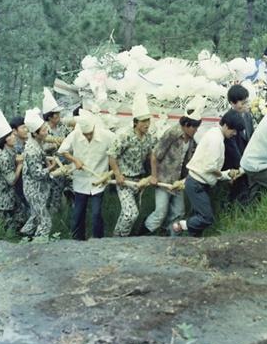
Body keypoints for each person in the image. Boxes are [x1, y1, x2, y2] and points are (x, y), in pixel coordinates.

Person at [171, 109, 245, 236]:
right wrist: (224, 175)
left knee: (197, 220)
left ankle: (187, 241)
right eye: (233, 130)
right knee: (206, 218)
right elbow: (210, 166)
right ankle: (180, 225)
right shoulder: (216, 139)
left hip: (199, 183)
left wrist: (227, 174)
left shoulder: (216, 134)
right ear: (226, 125)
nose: (234, 134)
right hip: (197, 184)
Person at [142, 97, 203, 236]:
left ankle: (171, 238)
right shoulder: (172, 134)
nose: (195, 130)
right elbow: (155, 155)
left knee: (179, 212)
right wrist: (154, 176)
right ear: (186, 125)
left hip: (178, 182)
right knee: (160, 212)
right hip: (164, 180)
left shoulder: (192, 140)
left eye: (197, 127)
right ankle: (141, 235)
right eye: (194, 127)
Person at [58, 109, 115, 240]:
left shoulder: (106, 135)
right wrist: (75, 160)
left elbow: (117, 148)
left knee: (96, 214)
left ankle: (97, 240)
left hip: (98, 179)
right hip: (81, 180)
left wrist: (111, 171)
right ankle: (77, 241)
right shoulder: (75, 134)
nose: (88, 136)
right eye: (85, 135)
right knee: (78, 214)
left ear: (94, 127)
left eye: (90, 134)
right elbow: (63, 151)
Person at [107, 92, 158, 237]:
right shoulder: (125, 136)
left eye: (148, 121)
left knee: (132, 213)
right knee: (131, 213)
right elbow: (112, 155)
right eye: (143, 121)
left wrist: (151, 176)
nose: (147, 124)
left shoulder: (149, 138)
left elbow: (151, 156)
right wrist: (117, 174)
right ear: (135, 122)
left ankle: (124, 239)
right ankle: (116, 239)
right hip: (125, 180)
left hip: (139, 181)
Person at [21, 108, 58, 238]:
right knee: (45, 221)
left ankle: (25, 236)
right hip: (33, 189)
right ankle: (39, 245)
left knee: (36, 216)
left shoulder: (37, 142)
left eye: (45, 128)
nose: (46, 131)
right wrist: (51, 168)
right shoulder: (32, 150)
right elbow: (37, 174)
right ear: (35, 133)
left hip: (38, 188)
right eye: (43, 130)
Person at [0, 111, 27, 230]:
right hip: (1, 199)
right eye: (10, 136)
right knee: (0, 228)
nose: (13, 137)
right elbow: (11, 180)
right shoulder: (4, 157)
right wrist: (19, 165)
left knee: (16, 223)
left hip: (10, 196)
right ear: (5, 140)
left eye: (12, 134)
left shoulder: (13, 151)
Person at [42, 87, 72, 213]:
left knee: (70, 188)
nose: (59, 116)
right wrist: (55, 144)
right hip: (51, 165)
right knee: (54, 193)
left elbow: (69, 139)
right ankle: (53, 216)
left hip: (65, 163)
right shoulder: (43, 129)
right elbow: (41, 147)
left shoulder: (62, 126)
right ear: (50, 116)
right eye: (56, 114)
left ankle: (68, 211)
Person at [223, 85, 254, 205]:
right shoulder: (229, 119)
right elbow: (231, 146)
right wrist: (240, 165)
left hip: (246, 157)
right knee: (237, 190)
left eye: (246, 100)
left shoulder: (247, 115)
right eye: (242, 102)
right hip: (234, 161)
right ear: (232, 103)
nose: (245, 104)